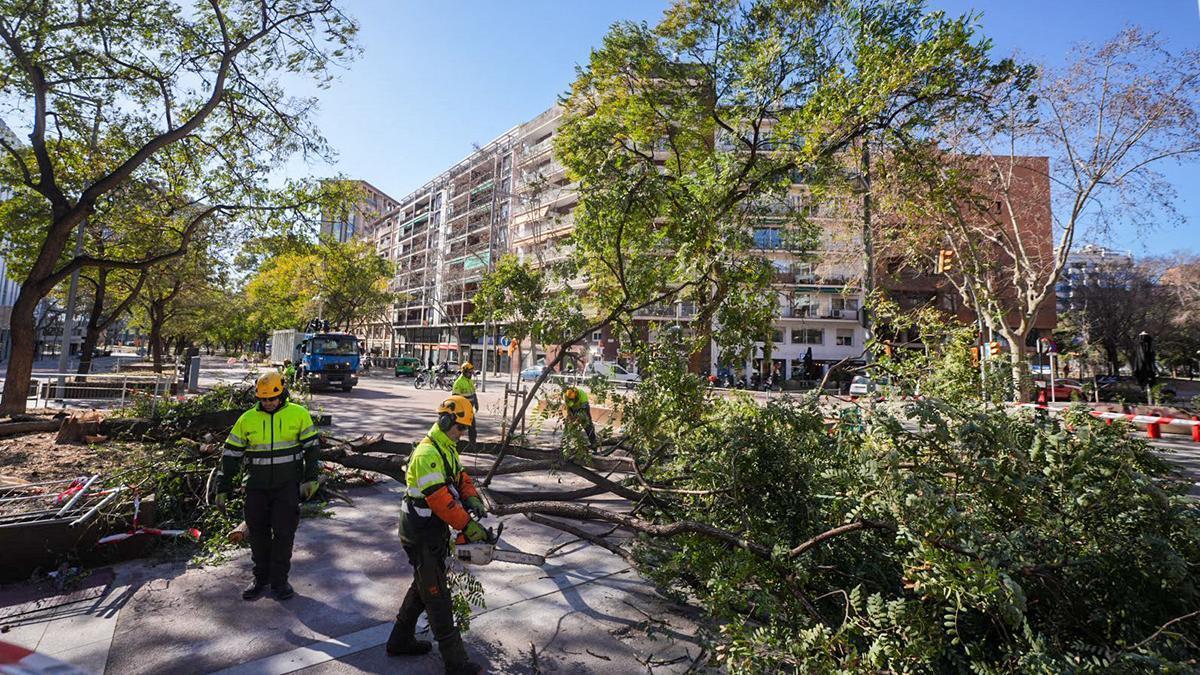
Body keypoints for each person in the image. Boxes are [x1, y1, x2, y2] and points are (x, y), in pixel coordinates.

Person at [389, 395, 487, 674]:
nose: (463, 434)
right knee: (437, 598)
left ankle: (399, 640)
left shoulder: (446, 448)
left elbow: (460, 478)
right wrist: (468, 526)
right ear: (446, 422)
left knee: (423, 588)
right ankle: (456, 663)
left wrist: (473, 499)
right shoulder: (427, 454)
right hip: (419, 533)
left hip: (432, 532)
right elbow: (441, 500)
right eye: (461, 428)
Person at [217, 372, 321, 601]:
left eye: (272, 399)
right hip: (256, 487)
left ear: (282, 394)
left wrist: (311, 479)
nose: (268, 403)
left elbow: (312, 449)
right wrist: (222, 487)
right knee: (258, 534)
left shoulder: (299, 414)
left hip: (286, 487)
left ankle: (280, 581)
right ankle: (260, 578)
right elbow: (231, 455)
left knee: (284, 534)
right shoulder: (247, 419)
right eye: (264, 400)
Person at [452, 362, 478, 450]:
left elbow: (473, 393)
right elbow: (455, 398)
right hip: (462, 410)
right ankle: (455, 446)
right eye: (469, 372)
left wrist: (476, 403)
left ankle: (473, 446)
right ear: (464, 372)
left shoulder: (470, 381)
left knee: (472, 429)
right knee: (459, 429)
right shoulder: (458, 383)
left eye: (472, 372)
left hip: (469, 409)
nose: (471, 374)